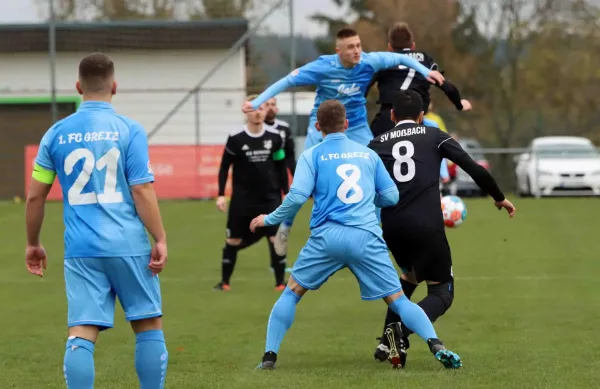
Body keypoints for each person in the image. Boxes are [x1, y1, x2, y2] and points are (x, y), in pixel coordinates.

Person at [250, 100, 462, 370]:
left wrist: (269, 219)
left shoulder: (312, 155)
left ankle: (269, 357)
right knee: (398, 300)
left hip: (326, 238)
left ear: (317, 127)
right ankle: (435, 343)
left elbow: (297, 196)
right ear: (347, 124)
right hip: (365, 237)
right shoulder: (367, 154)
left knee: (291, 293)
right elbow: (391, 196)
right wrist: (368, 202)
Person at [25, 52, 169, 389]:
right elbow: (142, 189)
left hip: (81, 249)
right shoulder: (129, 130)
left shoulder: (55, 134)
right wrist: (159, 237)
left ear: (78, 87)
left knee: (81, 331)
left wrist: (33, 243)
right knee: (148, 324)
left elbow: (35, 196)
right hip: (129, 245)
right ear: (114, 87)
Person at [243, 26, 445, 257]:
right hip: (321, 127)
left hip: (356, 126)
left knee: (376, 174)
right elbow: (287, 81)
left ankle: (375, 231)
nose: (357, 51)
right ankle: (285, 227)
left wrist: (425, 71)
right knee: (303, 183)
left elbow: (400, 57)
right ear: (338, 51)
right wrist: (257, 101)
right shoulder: (322, 67)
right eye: (351, 47)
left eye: (358, 45)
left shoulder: (369, 62)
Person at [368, 90, 516, 366]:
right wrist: (499, 197)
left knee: (409, 277)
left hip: (392, 226)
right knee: (442, 292)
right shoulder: (434, 135)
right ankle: (400, 331)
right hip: (426, 224)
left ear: (392, 115)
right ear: (422, 116)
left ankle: (384, 344)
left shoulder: (375, 144)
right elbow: (473, 168)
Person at [214, 95, 289, 292]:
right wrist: (221, 194)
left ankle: (280, 283)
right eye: (253, 109)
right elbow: (224, 167)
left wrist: (286, 193)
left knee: (276, 239)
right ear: (246, 111)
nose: (257, 112)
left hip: (269, 198)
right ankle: (224, 283)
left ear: (265, 111)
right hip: (242, 200)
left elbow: (281, 166)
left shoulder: (275, 137)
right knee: (233, 241)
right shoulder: (236, 137)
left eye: (261, 108)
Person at [366, 22, 471, 138]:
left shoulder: (384, 60)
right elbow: (445, 85)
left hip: (387, 119)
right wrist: (459, 104)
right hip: (415, 120)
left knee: (370, 150)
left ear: (390, 47)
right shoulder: (425, 59)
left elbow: (365, 86)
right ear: (413, 46)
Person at [264, 97, 296, 175]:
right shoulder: (258, 127)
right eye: (267, 105)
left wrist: (294, 172)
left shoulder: (284, 127)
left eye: (272, 104)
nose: (270, 107)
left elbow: (290, 153)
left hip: (280, 170)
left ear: (277, 109)